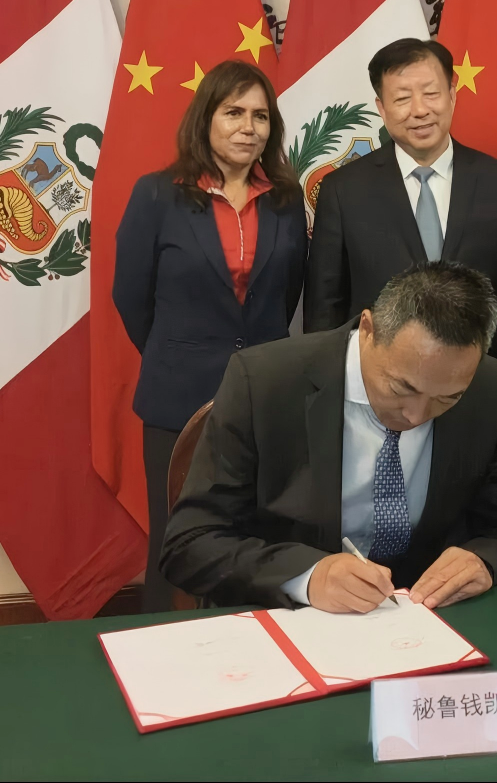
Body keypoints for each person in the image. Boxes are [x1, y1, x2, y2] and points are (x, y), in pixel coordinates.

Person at [160, 261, 497, 612]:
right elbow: (191, 542)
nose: (416, 416)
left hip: (426, 621)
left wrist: (483, 561)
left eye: (448, 398)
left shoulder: (489, 387)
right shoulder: (263, 382)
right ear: (368, 330)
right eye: (401, 388)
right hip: (296, 617)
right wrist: (307, 577)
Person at [113, 61, 307, 613]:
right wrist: (181, 352)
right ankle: (162, 648)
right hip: (177, 395)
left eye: (260, 116)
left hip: (263, 395)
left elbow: (287, 297)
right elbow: (131, 297)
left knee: (255, 532)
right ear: (206, 118)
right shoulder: (158, 194)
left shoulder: (286, 200)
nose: (248, 127)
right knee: (175, 535)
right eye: (234, 113)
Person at [304, 38, 497, 440]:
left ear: (452, 95)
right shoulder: (344, 190)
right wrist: (326, 392)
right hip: (380, 397)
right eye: (401, 98)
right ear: (381, 108)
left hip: (480, 390)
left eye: (431, 93)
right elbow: (325, 306)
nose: (419, 110)